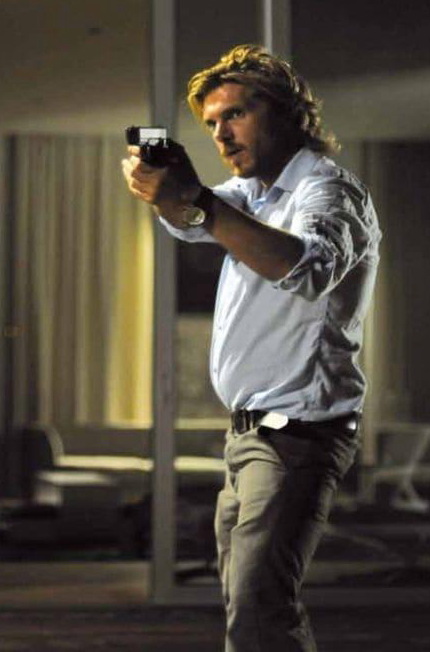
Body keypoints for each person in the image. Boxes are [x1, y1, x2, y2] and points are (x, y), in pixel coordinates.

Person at [122, 44, 380, 652]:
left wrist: (199, 202)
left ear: (288, 113)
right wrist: (169, 189)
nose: (221, 134)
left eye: (235, 114)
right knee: (252, 607)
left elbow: (305, 268)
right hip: (250, 438)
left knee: (259, 611)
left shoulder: (328, 191)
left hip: (297, 436)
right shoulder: (256, 195)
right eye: (212, 123)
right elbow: (190, 220)